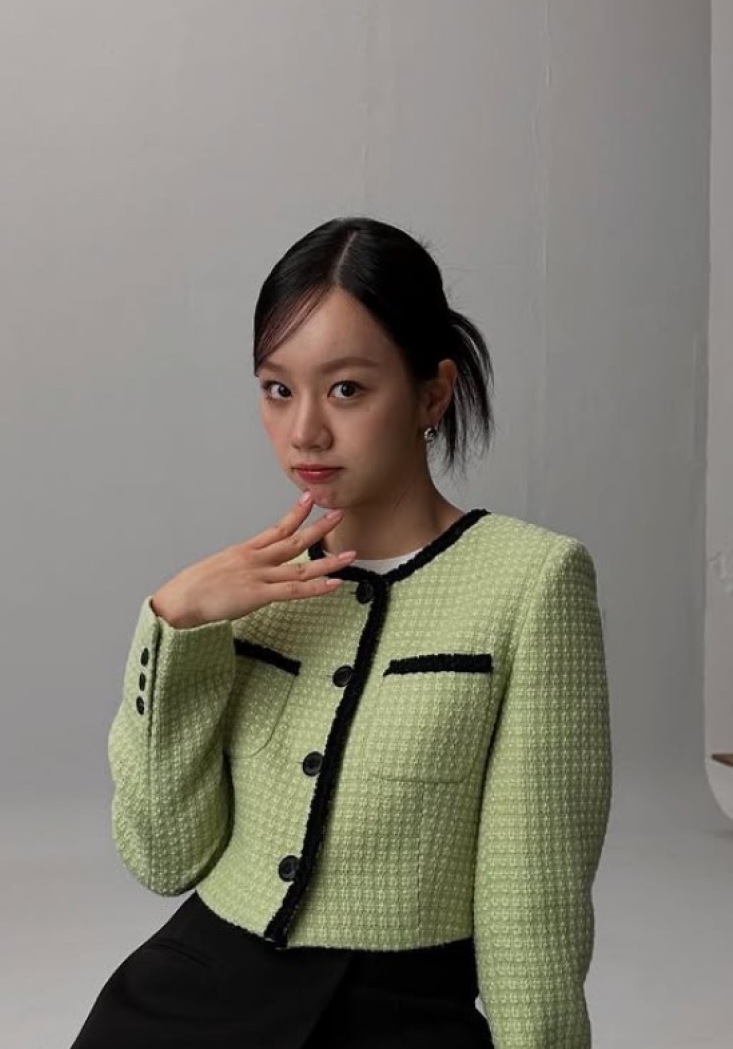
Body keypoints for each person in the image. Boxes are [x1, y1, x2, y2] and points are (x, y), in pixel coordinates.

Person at [69, 216, 612, 1049]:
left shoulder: (532, 582)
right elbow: (164, 858)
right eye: (277, 389)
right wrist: (173, 627)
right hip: (197, 987)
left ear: (432, 393)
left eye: (347, 389)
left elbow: (533, 891)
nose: (304, 432)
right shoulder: (249, 593)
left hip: (398, 1010)